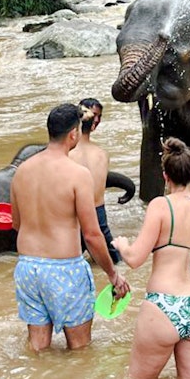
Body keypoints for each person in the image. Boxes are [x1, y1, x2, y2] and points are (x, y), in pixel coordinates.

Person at [112, 137, 190, 379]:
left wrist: (122, 245)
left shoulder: (160, 206)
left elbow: (135, 259)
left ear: (165, 176)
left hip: (164, 306)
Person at [10, 103, 129, 352]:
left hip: (28, 268)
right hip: (64, 270)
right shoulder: (78, 174)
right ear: (73, 134)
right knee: (79, 349)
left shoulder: (22, 171)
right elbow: (93, 235)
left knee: (38, 348)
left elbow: (16, 224)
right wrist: (112, 274)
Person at [70, 98, 121, 263]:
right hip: (99, 221)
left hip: (74, 218)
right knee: (116, 265)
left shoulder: (66, 154)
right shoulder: (102, 154)